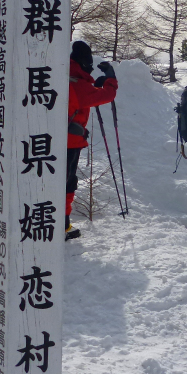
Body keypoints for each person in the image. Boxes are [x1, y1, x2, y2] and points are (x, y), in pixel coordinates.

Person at [66, 40, 118, 240]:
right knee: (67, 182)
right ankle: (61, 223)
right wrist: (111, 79)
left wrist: (92, 85)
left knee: (61, 180)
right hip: (70, 141)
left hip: (59, 138)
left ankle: (57, 221)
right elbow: (108, 95)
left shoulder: (67, 76)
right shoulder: (76, 83)